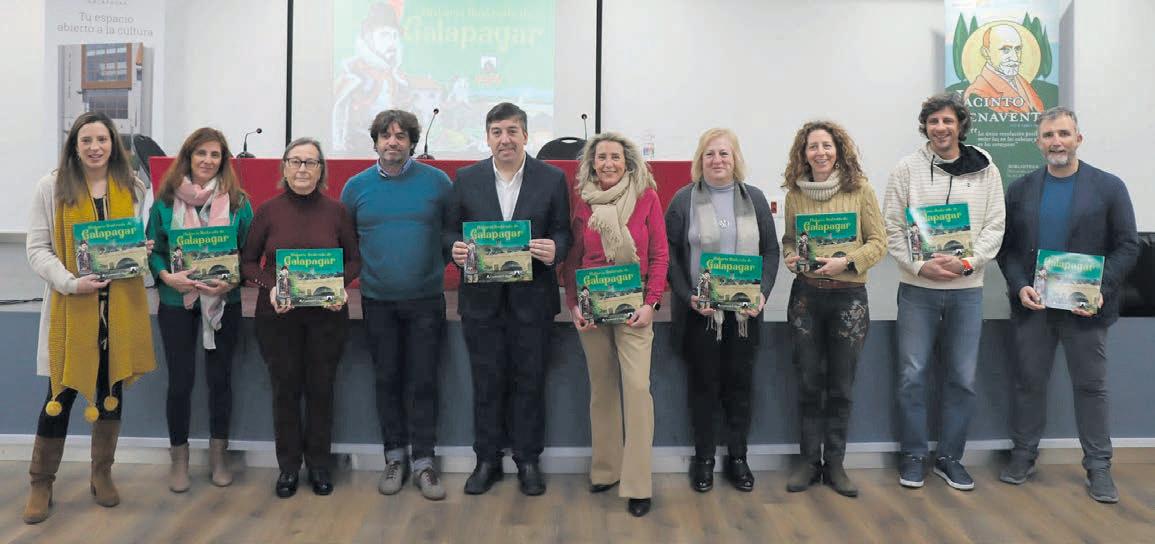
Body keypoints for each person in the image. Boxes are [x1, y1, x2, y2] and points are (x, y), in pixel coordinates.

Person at [996, 107, 1139, 503]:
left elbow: (1128, 245)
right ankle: (1023, 456)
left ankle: (1099, 467)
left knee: (1091, 387)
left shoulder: (1109, 187)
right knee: (1028, 383)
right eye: (1048, 135)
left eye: (1063, 133)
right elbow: (1007, 251)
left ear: (1078, 138)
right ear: (1038, 142)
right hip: (1035, 307)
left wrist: (1100, 289)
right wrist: (1020, 286)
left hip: (1086, 309)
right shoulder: (1020, 190)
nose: (1056, 141)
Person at [24, 111, 157, 524]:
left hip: (118, 310)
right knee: (58, 397)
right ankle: (41, 482)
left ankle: (102, 474)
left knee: (111, 391)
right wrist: (70, 282)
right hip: (72, 307)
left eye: (102, 139)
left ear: (113, 144)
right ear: (74, 146)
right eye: (87, 140)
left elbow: (128, 242)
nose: (95, 147)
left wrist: (140, 250)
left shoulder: (132, 187)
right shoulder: (51, 187)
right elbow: (37, 249)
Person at [444, 102, 571, 497]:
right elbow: (448, 232)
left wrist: (556, 249)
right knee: (486, 383)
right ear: (487, 138)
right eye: (497, 132)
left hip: (533, 303)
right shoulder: (466, 179)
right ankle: (487, 460)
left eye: (512, 131)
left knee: (530, 383)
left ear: (526, 135)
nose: (505, 139)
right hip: (481, 304)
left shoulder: (552, 179)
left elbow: (563, 232)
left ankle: (528, 461)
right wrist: (455, 249)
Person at [883, 92, 1005, 492]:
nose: (940, 128)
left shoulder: (986, 168)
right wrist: (920, 266)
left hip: (967, 290)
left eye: (948, 121)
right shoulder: (906, 169)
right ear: (925, 126)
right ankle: (914, 455)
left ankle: (950, 458)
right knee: (911, 376)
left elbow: (995, 226)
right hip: (917, 290)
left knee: (962, 378)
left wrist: (967, 263)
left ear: (961, 125)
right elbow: (891, 228)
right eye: (933, 121)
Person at [340, 109, 452, 501]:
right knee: (387, 380)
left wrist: (433, 266)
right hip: (377, 302)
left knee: (423, 381)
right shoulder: (355, 187)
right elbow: (347, 243)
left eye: (401, 136)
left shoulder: (438, 183)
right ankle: (394, 457)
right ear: (375, 142)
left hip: (426, 301)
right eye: (385, 136)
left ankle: (424, 461)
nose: (393, 142)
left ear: (412, 143)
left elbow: (451, 237)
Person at [241, 137, 361, 498]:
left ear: (321, 169)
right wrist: (270, 287)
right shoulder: (268, 211)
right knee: (285, 392)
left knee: (322, 391)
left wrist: (338, 285)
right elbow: (248, 262)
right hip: (278, 318)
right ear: (284, 167)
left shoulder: (337, 212)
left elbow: (354, 259)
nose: (303, 168)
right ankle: (289, 468)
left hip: (327, 318)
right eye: (296, 161)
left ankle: (320, 466)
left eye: (311, 162)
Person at [665, 128, 779, 494]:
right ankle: (703, 459)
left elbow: (771, 251)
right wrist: (688, 297)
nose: (717, 160)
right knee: (703, 387)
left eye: (724, 154)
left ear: (735, 159)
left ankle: (737, 458)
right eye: (710, 154)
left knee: (740, 387)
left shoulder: (755, 198)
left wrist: (763, 293)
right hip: (701, 315)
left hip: (744, 317)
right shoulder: (683, 200)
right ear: (700, 160)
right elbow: (670, 256)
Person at [778, 121, 886, 497]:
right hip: (806, 297)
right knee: (808, 383)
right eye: (813, 146)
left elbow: (879, 242)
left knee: (841, 385)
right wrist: (790, 256)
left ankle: (835, 465)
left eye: (826, 145)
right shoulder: (795, 195)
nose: (820, 152)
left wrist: (847, 262)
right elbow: (789, 239)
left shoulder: (861, 189)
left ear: (838, 150)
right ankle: (809, 462)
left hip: (848, 298)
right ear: (803, 153)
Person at [564, 132, 667, 517]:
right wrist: (573, 305)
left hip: (634, 309)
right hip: (593, 310)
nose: (608, 163)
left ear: (628, 163)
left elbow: (659, 254)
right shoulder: (584, 202)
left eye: (615, 157)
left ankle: (638, 484)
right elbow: (573, 259)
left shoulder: (647, 198)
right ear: (592, 163)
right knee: (602, 389)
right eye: (601, 157)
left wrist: (651, 302)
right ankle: (606, 470)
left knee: (637, 390)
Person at [146, 127, 253, 493]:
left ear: (223, 161)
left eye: (215, 154)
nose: (207, 160)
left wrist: (232, 281)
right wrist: (165, 276)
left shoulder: (239, 202)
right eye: (201, 153)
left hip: (224, 302)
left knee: (220, 380)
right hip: (177, 301)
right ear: (188, 157)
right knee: (180, 382)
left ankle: (219, 456)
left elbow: (249, 254)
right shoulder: (164, 201)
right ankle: (179, 459)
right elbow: (154, 249)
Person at [963, 23, 1045, 114]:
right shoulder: (977, 92)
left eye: (1017, 49)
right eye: (1005, 50)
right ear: (986, 53)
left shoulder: (1020, 80)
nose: (1014, 57)